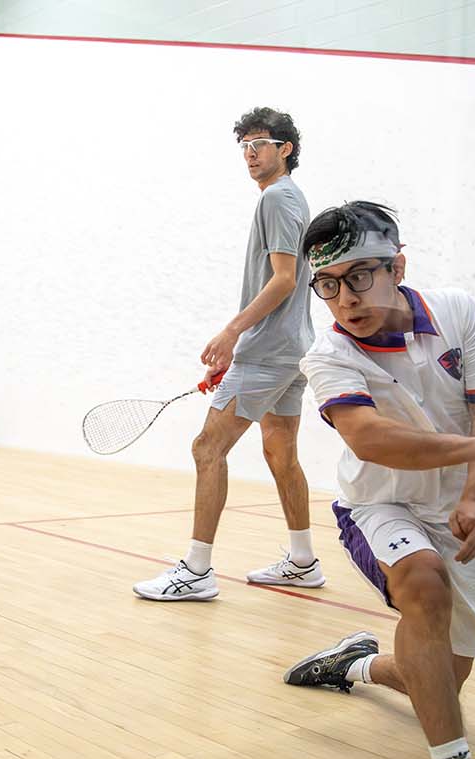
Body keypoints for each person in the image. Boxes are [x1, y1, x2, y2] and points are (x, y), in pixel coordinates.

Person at [281, 201, 475, 759]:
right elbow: (374, 440)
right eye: (327, 284)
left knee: (442, 684)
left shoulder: (457, 312)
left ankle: (355, 666)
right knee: (423, 588)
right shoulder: (328, 355)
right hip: (378, 504)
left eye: (359, 275)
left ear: (398, 265)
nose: (344, 298)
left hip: (452, 508)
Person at [134, 107, 323, 601]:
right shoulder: (292, 198)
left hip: (267, 352)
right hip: (293, 349)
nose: (250, 153)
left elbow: (283, 279)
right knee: (280, 453)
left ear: (285, 149)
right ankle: (303, 561)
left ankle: (196, 570)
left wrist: (232, 333)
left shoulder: (278, 199)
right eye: (244, 146)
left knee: (207, 448)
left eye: (259, 143)